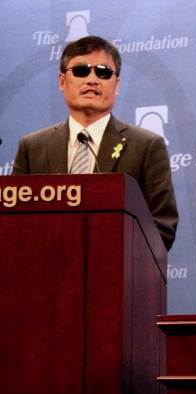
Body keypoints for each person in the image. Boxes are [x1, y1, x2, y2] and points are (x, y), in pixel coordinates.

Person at [12, 35, 178, 251]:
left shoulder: (146, 146)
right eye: (81, 71)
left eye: (103, 72)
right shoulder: (32, 148)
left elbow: (162, 229)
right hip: (46, 275)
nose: (92, 79)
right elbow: (13, 224)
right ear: (62, 81)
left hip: (116, 276)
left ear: (116, 85)